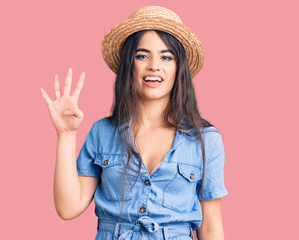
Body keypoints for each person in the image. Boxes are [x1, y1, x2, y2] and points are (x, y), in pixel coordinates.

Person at [40, 6, 228, 240]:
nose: (154, 66)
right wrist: (66, 134)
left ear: (179, 68)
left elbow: (211, 228)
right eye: (142, 55)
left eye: (166, 57)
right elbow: (68, 208)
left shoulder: (206, 140)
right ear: (129, 65)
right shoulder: (102, 132)